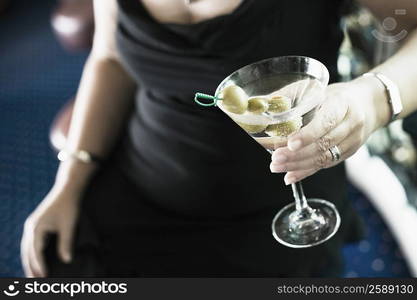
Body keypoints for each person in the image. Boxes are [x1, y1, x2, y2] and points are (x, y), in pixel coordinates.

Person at [21, 0, 417, 277]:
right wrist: (70, 182)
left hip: (275, 208)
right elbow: (110, 57)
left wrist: (373, 98)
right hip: (138, 189)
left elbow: (408, 22)